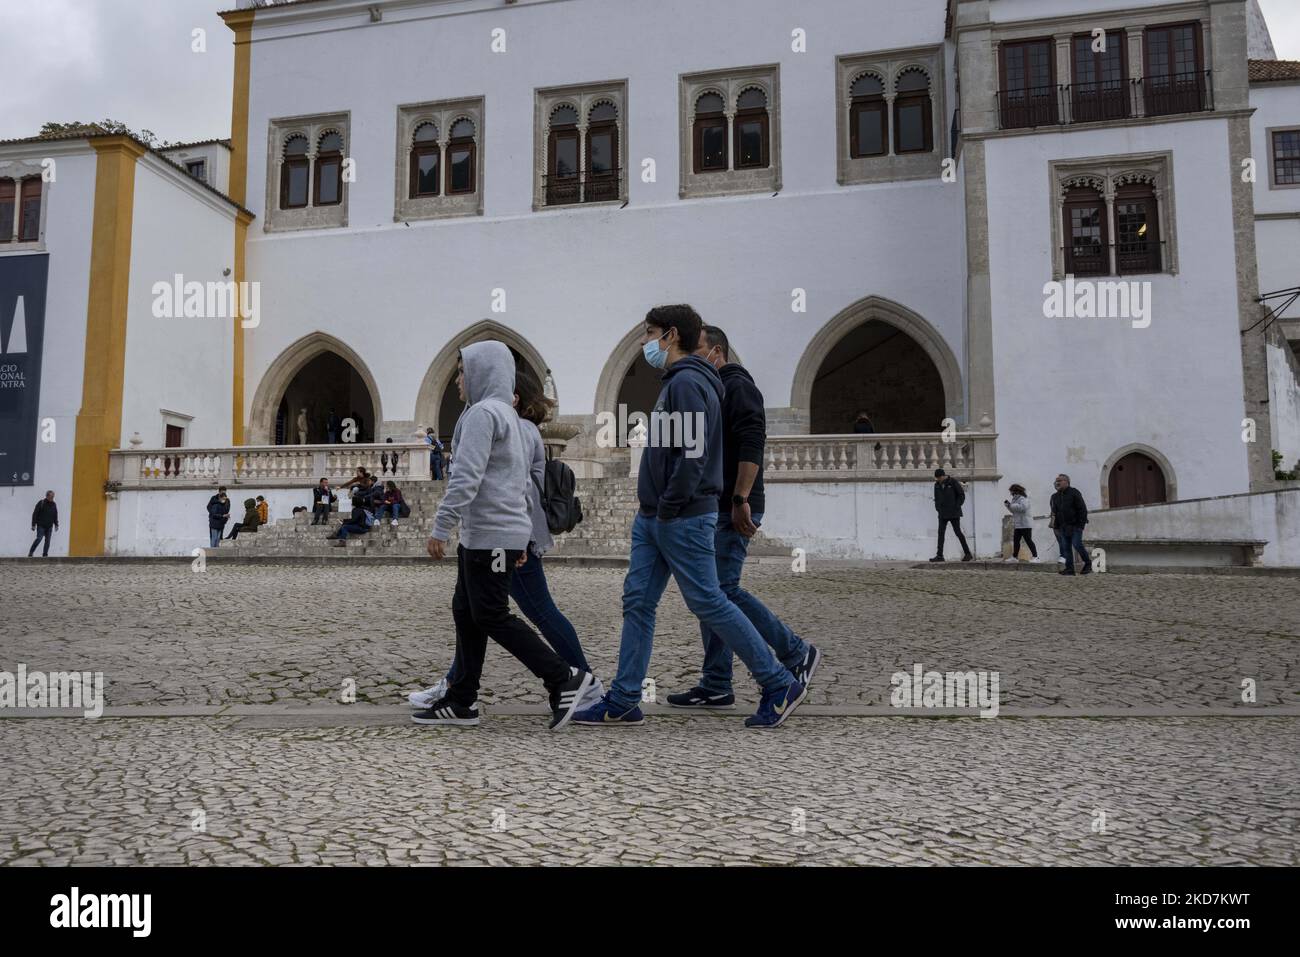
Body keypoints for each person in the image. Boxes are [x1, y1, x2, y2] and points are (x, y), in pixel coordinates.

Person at [572, 304, 806, 730]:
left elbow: (693, 454)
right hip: (656, 516)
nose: (645, 343)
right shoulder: (679, 383)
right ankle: (625, 699)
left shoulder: (689, 384)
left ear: (671, 335)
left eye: (650, 333)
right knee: (638, 602)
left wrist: (669, 507)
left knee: (709, 600)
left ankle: (778, 683)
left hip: (678, 516)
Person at [414, 341, 593, 731]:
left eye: (462, 372)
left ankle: (565, 678)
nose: (458, 380)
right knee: (467, 611)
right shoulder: (508, 417)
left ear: (481, 373)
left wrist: (441, 525)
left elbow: (466, 478)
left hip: (491, 535)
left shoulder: (483, 415)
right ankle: (462, 699)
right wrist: (523, 535)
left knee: (492, 615)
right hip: (491, 534)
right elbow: (518, 483)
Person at [666, 325, 822, 709]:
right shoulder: (714, 388)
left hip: (735, 504)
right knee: (712, 592)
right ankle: (717, 682)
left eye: (697, 348)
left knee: (722, 591)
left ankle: (796, 651)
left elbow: (753, 442)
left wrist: (740, 497)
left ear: (717, 351)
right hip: (718, 505)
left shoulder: (737, 385)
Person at [1050, 473, 1092, 575]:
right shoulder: (1054, 496)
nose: (1057, 483)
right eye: (1056, 481)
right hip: (1063, 526)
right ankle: (1070, 569)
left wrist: (1080, 525)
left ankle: (1088, 564)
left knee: (1077, 544)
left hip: (1075, 525)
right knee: (1066, 547)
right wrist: (1056, 526)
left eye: (1059, 481)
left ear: (1066, 482)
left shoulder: (1074, 492)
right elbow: (1054, 512)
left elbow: (1082, 509)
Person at [930, 467, 973, 562]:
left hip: (954, 513)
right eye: (936, 478)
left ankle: (968, 554)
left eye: (938, 478)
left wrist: (956, 506)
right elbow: (936, 498)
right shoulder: (936, 485)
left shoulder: (953, 482)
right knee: (940, 534)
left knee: (958, 533)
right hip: (942, 513)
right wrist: (938, 508)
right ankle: (940, 555)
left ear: (943, 476)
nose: (938, 480)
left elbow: (961, 495)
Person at [1004, 483, 1038, 562]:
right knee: (1016, 541)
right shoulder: (1014, 500)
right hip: (1018, 524)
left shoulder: (1023, 498)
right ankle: (1015, 557)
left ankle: (1036, 557)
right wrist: (1008, 506)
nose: (1010, 493)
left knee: (1028, 540)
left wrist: (1011, 505)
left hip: (1025, 524)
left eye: (1011, 491)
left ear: (1015, 491)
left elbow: (1023, 508)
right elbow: (1014, 511)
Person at [29, 490, 59, 557]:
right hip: (41, 526)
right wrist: (33, 525)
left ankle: (45, 555)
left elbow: (55, 515)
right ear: (47, 496)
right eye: (51, 496)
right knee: (39, 539)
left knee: (48, 541)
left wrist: (56, 524)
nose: (52, 498)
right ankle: (31, 552)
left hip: (49, 526)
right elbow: (35, 514)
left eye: (53, 497)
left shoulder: (54, 504)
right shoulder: (41, 503)